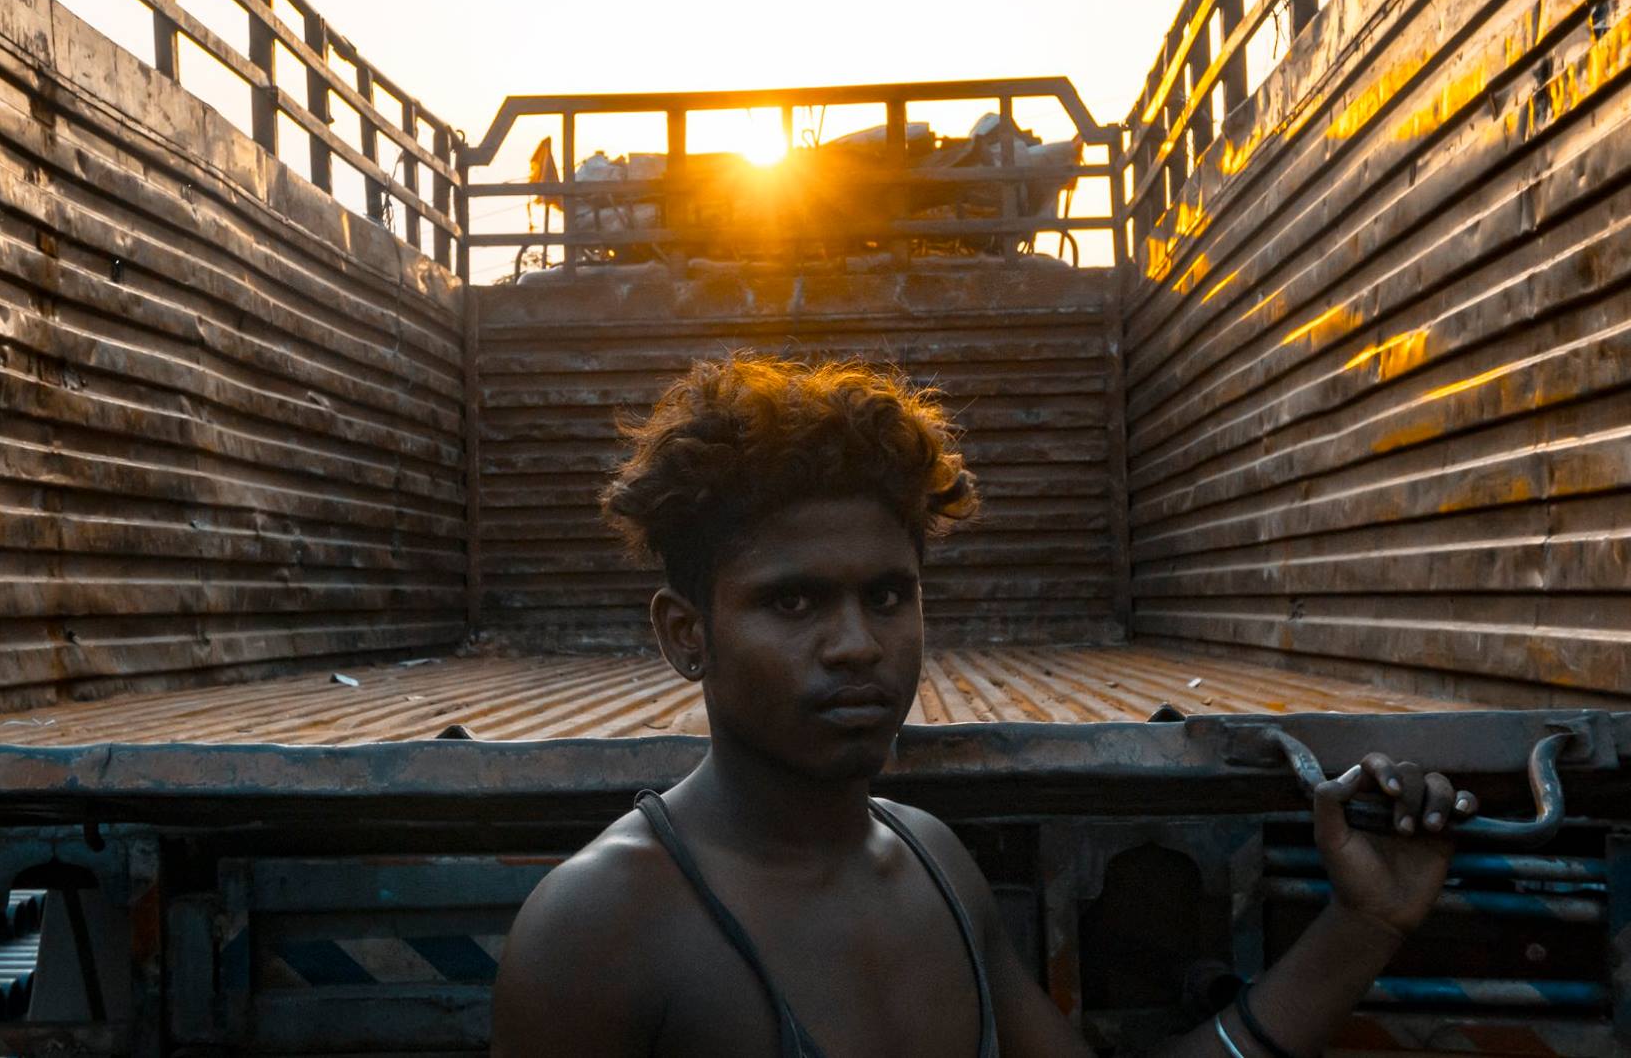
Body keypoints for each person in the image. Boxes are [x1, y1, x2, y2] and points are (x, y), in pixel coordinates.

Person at [491, 355, 1474, 1058]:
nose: (856, 644)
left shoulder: (930, 862)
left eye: (888, 595)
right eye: (793, 602)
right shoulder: (600, 927)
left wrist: (1363, 923)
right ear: (685, 635)